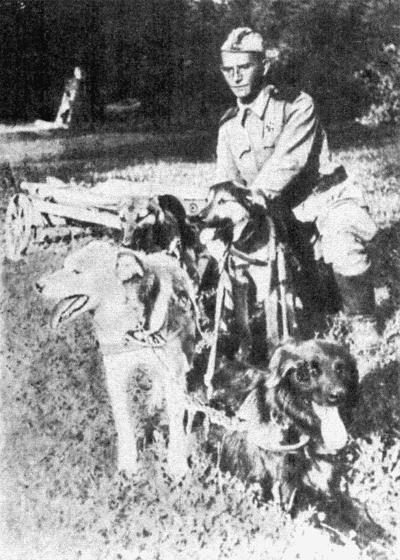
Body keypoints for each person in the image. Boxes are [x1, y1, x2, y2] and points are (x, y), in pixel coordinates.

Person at [215, 27, 379, 347]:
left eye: (244, 67)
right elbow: (227, 183)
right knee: (311, 302)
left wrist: (249, 200)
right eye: (228, 69)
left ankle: (362, 322)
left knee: (342, 233)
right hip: (281, 215)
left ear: (264, 66)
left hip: (324, 199)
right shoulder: (229, 126)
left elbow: (288, 161)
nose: (235, 76)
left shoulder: (296, 105)